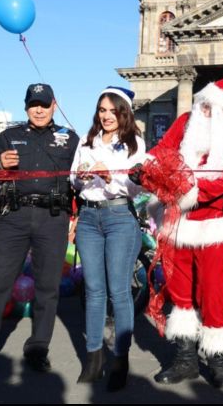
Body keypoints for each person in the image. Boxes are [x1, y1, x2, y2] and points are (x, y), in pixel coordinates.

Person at [0, 84, 79, 379]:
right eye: (33, 104)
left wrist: (78, 216)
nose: (39, 109)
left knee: (47, 288)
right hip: (14, 216)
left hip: (53, 217)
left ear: (54, 105)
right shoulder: (9, 135)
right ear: (26, 107)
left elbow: (81, 179)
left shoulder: (70, 138)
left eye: (44, 104)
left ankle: (38, 348)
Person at [146, 79, 223, 389]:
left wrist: (178, 188)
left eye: (211, 106)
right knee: (180, 289)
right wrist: (147, 170)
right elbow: (159, 153)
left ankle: (218, 359)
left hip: (213, 223)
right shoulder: (184, 123)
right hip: (179, 222)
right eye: (202, 103)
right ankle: (186, 358)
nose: (204, 109)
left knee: (213, 290)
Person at [70, 86, 146, 391]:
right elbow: (74, 180)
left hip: (119, 217)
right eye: (102, 110)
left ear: (124, 112)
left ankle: (120, 360)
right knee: (93, 289)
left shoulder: (134, 143)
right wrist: (81, 176)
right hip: (89, 217)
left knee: (119, 290)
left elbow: (139, 186)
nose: (106, 116)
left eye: (113, 110)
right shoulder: (86, 141)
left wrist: (110, 176)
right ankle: (93, 358)